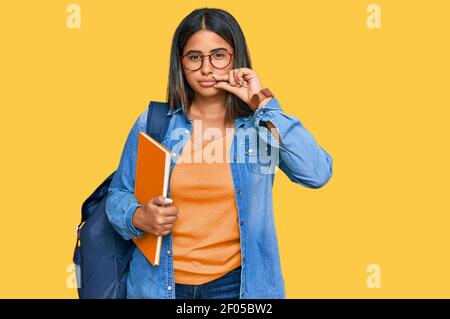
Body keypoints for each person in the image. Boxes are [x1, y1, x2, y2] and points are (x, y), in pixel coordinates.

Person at [105, 7, 333, 299]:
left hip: (237, 287)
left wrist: (263, 103)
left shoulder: (259, 128)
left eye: (219, 55)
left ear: (236, 58)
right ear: (180, 63)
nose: (206, 68)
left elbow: (317, 173)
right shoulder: (154, 123)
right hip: (158, 285)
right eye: (194, 57)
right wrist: (137, 216)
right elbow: (118, 194)